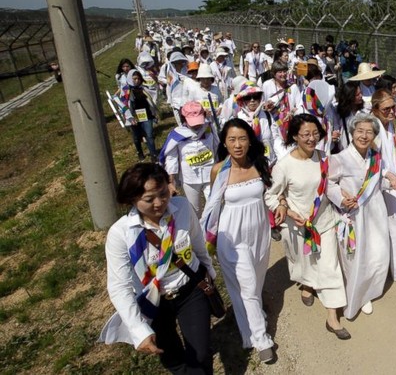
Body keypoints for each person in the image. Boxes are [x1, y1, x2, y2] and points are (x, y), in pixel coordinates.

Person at [101, 163, 215, 374]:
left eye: (163, 193)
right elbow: (119, 286)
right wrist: (138, 329)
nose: (159, 203)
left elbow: (198, 243)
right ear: (132, 199)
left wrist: (209, 273)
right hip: (153, 302)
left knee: (200, 355)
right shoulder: (121, 233)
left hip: (190, 291)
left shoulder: (181, 208)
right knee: (171, 356)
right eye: (149, 199)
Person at [264, 114, 350, 339]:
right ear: (294, 136)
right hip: (297, 226)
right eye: (305, 135)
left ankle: (333, 316)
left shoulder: (324, 159)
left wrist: (344, 195)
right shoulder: (283, 166)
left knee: (330, 266)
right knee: (303, 263)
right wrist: (288, 212)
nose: (312, 139)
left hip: (324, 222)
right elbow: (271, 196)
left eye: (315, 134)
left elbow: (332, 185)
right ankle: (307, 284)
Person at [199, 119, 276, 364]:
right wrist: (206, 240)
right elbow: (213, 206)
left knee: (252, 285)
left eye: (242, 138)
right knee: (248, 286)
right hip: (232, 238)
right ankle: (262, 340)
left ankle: (247, 333)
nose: (237, 144)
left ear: (250, 140)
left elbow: (271, 194)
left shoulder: (259, 164)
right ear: (224, 142)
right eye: (231, 139)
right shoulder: (218, 170)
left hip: (260, 233)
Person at [327, 114, 390, 319]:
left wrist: (394, 182)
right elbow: (328, 184)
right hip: (353, 215)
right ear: (352, 133)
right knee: (355, 257)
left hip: (375, 211)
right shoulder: (339, 158)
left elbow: (378, 183)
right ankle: (357, 295)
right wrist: (340, 198)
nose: (364, 135)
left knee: (377, 253)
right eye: (360, 131)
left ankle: (370, 289)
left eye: (369, 132)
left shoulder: (376, 157)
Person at [371, 90, 396, 288]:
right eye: (386, 109)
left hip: (395, 182)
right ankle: (378, 273)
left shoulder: (394, 124)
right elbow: (371, 159)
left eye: (393, 107)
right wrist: (389, 175)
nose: (391, 111)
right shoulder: (371, 128)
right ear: (375, 110)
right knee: (377, 231)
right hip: (377, 183)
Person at [158, 102, 219, 217]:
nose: (197, 126)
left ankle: (212, 232)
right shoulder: (177, 135)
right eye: (193, 122)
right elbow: (171, 158)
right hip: (190, 178)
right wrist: (170, 181)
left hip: (210, 174)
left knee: (214, 205)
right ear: (184, 119)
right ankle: (198, 231)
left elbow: (217, 146)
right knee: (194, 209)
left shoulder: (209, 128)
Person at [124, 69, 158, 161]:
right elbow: (124, 105)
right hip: (134, 117)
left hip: (147, 115)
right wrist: (130, 117)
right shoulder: (126, 91)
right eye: (134, 79)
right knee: (136, 137)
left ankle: (153, 155)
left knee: (149, 135)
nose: (137, 81)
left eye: (138, 79)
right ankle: (140, 152)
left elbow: (153, 94)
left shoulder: (145, 88)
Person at [329, 80, 365, 153]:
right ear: (350, 96)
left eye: (361, 93)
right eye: (357, 95)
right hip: (343, 151)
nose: (361, 96)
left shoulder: (363, 112)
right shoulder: (337, 112)